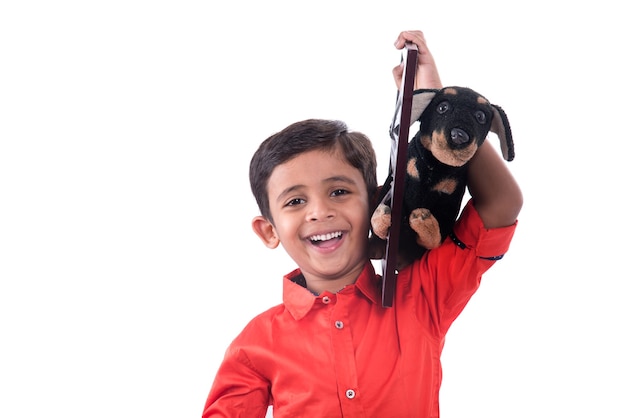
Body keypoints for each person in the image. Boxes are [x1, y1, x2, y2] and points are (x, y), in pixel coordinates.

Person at [202, 30, 523, 418]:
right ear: (268, 230)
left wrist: (439, 107)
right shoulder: (255, 343)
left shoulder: (424, 295)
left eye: (338, 192)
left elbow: (501, 204)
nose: (319, 212)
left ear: (375, 201)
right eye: (296, 201)